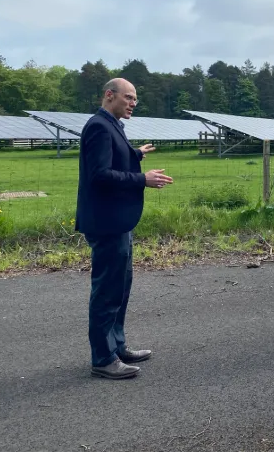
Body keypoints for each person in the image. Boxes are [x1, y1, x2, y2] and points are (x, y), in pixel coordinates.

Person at [76, 78, 173, 379]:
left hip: (118, 221)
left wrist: (136, 154)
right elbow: (100, 175)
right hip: (106, 223)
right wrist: (142, 179)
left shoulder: (112, 125)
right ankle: (103, 358)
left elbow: (114, 158)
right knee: (107, 290)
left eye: (135, 100)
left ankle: (116, 346)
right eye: (129, 98)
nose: (133, 103)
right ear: (109, 95)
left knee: (121, 286)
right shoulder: (98, 126)